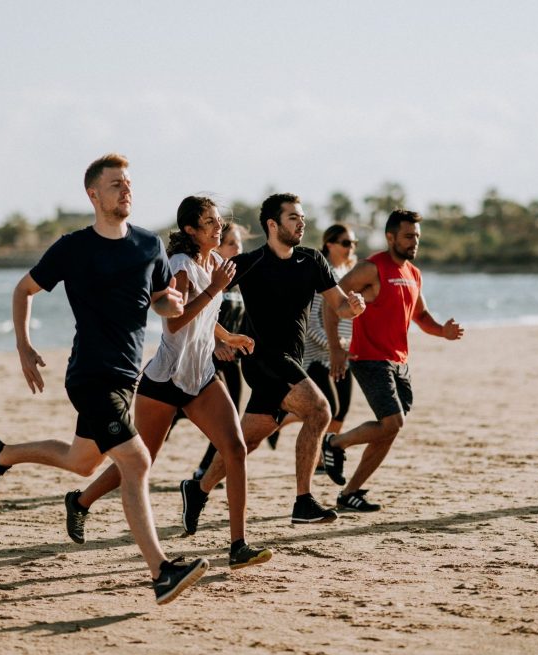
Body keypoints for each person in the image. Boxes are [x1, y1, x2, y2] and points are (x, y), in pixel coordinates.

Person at [0, 153, 208, 605]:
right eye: (116, 184)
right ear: (94, 194)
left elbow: (161, 299)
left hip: (126, 376)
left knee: (81, 462)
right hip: (89, 375)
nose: (127, 190)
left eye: (129, 183)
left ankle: (0, 453)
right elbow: (23, 290)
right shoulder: (73, 247)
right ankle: (161, 571)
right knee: (137, 461)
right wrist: (23, 345)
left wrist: (172, 306)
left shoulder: (148, 245)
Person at [62, 196, 272, 570]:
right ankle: (80, 502)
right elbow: (175, 321)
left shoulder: (217, 264)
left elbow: (204, 318)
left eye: (218, 221)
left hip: (200, 377)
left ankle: (238, 545)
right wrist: (214, 290)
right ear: (191, 230)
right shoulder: (180, 267)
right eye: (209, 222)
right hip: (164, 380)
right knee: (142, 459)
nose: (217, 227)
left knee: (235, 448)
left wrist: (227, 337)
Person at [179, 193, 366, 532]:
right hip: (262, 358)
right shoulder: (249, 262)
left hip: (290, 359)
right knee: (320, 410)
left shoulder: (312, 261)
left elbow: (339, 306)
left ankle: (198, 488)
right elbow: (203, 302)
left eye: (302, 216)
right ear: (272, 224)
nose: (301, 222)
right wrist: (220, 339)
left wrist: (353, 306)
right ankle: (303, 501)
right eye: (293, 217)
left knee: (246, 442)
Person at [321, 209, 465, 511]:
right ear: (390, 237)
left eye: (417, 237)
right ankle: (335, 443)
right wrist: (335, 348)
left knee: (390, 429)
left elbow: (421, 317)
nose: (414, 242)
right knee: (392, 422)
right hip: (369, 358)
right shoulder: (371, 268)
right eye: (408, 236)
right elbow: (330, 301)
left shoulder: (413, 273)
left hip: (399, 362)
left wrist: (443, 332)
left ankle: (350, 493)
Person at [266, 224, 358, 461]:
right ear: (330, 244)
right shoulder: (323, 274)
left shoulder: (348, 274)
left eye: (354, 244)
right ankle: (277, 422)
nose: (351, 248)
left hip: (343, 353)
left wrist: (348, 346)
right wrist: (335, 346)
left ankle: (324, 457)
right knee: (329, 408)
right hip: (318, 356)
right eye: (346, 243)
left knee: (342, 410)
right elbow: (311, 324)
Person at [191, 221, 249, 480]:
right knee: (220, 419)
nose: (238, 248)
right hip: (208, 359)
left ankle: (205, 467)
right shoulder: (210, 279)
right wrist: (216, 344)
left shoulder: (239, 281)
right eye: (231, 243)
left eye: (240, 243)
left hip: (232, 361)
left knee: (230, 418)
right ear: (218, 247)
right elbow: (195, 316)